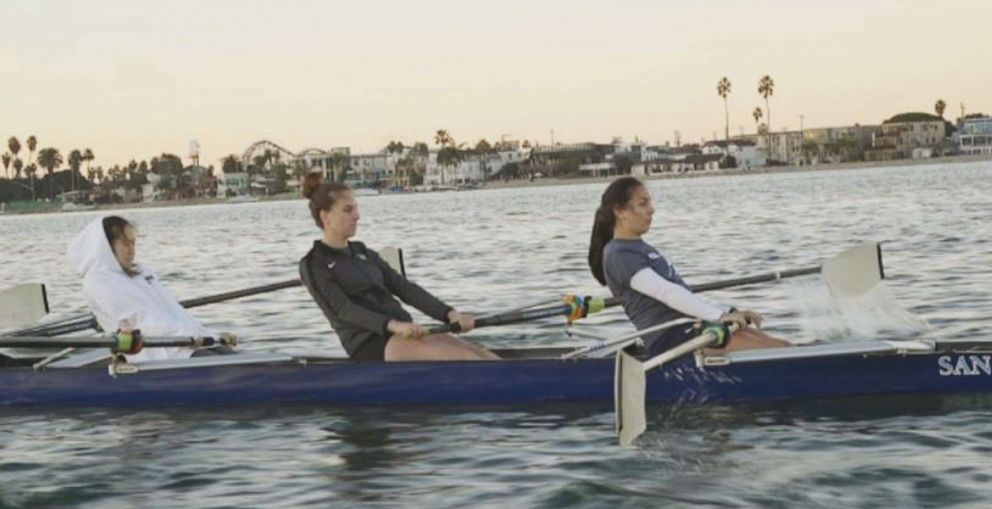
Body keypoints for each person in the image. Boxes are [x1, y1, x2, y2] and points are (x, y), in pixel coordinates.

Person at [299, 173, 498, 362]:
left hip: (403, 332)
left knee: (483, 355)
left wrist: (450, 314)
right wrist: (393, 325)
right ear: (325, 217)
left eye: (356, 209)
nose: (357, 216)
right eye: (348, 210)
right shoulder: (314, 264)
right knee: (467, 360)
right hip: (371, 343)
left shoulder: (363, 253)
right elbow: (344, 310)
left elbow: (405, 288)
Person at [588, 177, 789, 356]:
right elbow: (667, 292)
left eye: (650, 202)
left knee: (785, 345)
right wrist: (720, 316)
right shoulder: (619, 255)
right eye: (643, 203)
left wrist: (727, 310)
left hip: (694, 327)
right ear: (620, 212)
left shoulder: (640, 247)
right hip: (669, 340)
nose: (652, 209)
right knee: (779, 352)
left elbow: (684, 293)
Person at [67, 216, 230, 362]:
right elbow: (142, 320)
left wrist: (208, 334)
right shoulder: (98, 281)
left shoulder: (141, 273)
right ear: (107, 247)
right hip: (156, 356)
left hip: (184, 342)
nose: (131, 250)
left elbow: (174, 309)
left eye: (133, 243)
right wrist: (190, 336)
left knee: (232, 355)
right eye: (125, 244)